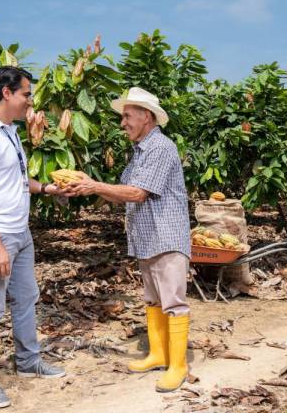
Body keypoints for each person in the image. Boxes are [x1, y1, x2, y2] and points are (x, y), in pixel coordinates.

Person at [65, 87, 191, 392]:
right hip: (147, 235)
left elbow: (137, 193)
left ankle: (179, 365)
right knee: (153, 300)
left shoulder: (160, 147)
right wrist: (85, 185)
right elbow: (122, 193)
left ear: (146, 117)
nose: (122, 123)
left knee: (173, 302)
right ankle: (159, 354)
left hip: (166, 236)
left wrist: (93, 185)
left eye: (127, 116)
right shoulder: (140, 152)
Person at [0, 66, 66, 408]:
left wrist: (49, 188)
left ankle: (27, 361)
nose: (29, 101)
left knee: (26, 297)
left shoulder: (9, 131)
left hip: (19, 231)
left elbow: (17, 181)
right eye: (26, 94)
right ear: (6, 93)